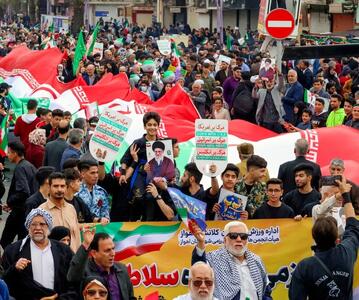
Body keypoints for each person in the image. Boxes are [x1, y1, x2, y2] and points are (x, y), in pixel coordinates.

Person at [289, 178, 359, 300]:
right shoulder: (316, 209)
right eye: (335, 194)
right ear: (326, 194)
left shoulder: (305, 266)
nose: (339, 197)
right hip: (327, 260)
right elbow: (352, 226)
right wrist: (343, 195)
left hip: (337, 258)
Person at [1, 208, 75, 299]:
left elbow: (73, 280)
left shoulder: (64, 250)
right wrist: (15, 268)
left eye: (42, 224)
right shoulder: (13, 250)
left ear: (49, 226)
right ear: (28, 227)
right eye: (33, 224)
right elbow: (4, 283)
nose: (38, 228)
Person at [191, 221, 272, 299]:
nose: (239, 239)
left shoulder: (256, 261)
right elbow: (198, 268)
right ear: (225, 240)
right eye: (233, 236)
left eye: (243, 236)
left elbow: (266, 292)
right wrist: (200, 243)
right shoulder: (213, 258)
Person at [67, 231, 135, 300]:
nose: (113, 253)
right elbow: (72, 277)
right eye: (107, 250)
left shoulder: (122, 269)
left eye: (113, 249)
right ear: (94, 253)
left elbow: (131, 297)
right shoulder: (84, 271)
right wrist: (86, 244)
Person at [119, 112, 161, 221]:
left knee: (151, 198)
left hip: (156, 176)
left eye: (155, 124)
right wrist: (123, 174)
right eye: (149, 124)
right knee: (138, 198)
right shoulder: (138, 143)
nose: (152, 127)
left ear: (158, 126)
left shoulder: (163, 143)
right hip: (139, 175)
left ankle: (149, 224)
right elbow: (125, 159)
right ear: (145, 126)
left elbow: (169, 163)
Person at [0, 141, 38, 249]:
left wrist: (10, 202)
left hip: (19, 213)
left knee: (5, 241)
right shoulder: (29, 165)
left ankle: (10, 263)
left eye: (9, 152)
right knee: (23, 242)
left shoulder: (20, 168)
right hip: (26, 211)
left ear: (15, 153)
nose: (7, 155)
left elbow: (23, 191)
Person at [39, 172, 81, 252]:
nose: (59, 189)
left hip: (72, 260)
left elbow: (77, 237)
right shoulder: (41, 211)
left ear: (66, 188)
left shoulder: (71, 208)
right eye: (55, 186)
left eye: (62, 186)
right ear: (49, 187)